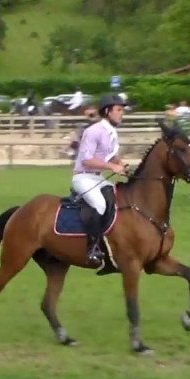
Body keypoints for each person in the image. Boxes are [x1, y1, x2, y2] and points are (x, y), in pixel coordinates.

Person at [72, 94, 127, 264]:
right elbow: (86, 160)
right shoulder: (93, 131)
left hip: (98, 178)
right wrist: (112, 167)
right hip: (83, 178)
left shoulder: (111, 132)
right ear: (108, 111)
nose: (121, 113)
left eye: (122, 110)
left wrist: (120, 163)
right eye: (118, 110)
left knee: (118, 197)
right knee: (99, 204)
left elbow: (109, 155)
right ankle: (92, 249)